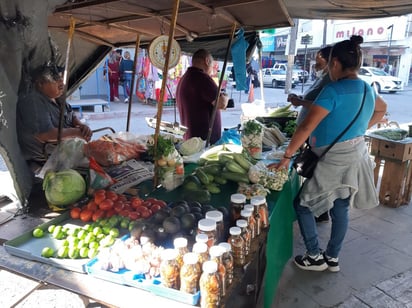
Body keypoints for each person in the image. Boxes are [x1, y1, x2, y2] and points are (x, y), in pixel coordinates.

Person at [273, 35, 387, 272]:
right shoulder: (366, 88)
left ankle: (314, 256)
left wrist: (287, 157)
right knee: (340, 207)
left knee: (302, 204)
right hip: (356, 153)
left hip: (332, 159)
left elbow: (306, 127)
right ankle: (332, 257)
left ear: (335, 63)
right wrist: (361, 128)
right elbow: (382, 109)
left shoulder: (332, 90)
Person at [17, 64, 93, 174]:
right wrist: (75, 132)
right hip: (46, 161)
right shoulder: (32, 101)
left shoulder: (58, 98)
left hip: (66, 153)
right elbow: (45, 135)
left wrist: (80, 125)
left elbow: (71, 115)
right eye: (56, 80)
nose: (62, 83)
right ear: (40, 83)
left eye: (62, 78)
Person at [288, 46, 333, 223]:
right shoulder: (322, 77)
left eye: (319, 58)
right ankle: (317, 209)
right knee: (310, 169)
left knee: (314, 171)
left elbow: (319, 107)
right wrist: (299, 99)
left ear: (330, 60)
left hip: (315, 132)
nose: (316, 61)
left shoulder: (330, 81)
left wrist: (299, 101)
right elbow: (313, 100)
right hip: (310, 131)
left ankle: (319, 211)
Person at [176, 49, 228, 144]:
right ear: (207, 61)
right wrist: (226, 96)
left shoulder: (185, 78)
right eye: (212, 66)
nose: (212, 70)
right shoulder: (202, 78)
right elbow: (221, 103)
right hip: (203, 142)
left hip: (192, 139)